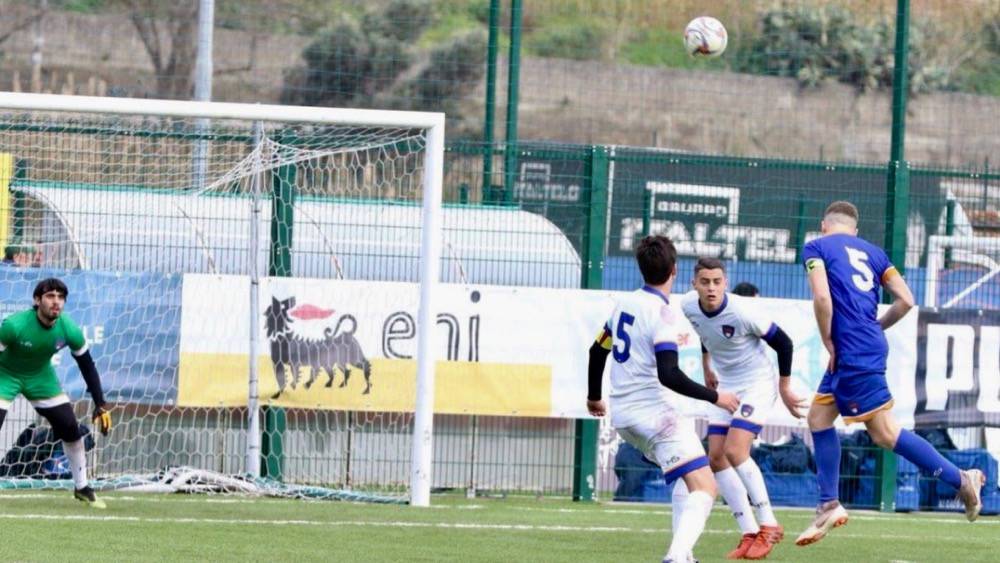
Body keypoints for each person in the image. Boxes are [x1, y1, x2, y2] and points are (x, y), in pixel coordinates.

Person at [795, 201, 985, 546]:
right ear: (855, 229)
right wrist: (876, 327)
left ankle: (961, 480)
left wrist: (828, 340)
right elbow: (907, 300)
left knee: (884, 433)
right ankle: (827, 502)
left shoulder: (816, 247)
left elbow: (822, 297)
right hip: (863, 344)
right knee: (819, 418)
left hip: (849, 349)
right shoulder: (874, 252)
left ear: (824, 225)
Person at [586, 235, 740, 563]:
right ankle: (675, 557)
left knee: (689, 472)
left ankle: (684, 556)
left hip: (624, 417)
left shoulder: (624, 304)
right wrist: (716, 397)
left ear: (641, 269)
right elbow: (668, 374)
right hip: (654, 416)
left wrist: (594, 397)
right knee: (706, 487)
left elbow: (597, 349)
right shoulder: (663, 313)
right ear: (674, 270)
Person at [680, 257, 806, 559]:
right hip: (726, 386)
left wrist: (785, 387)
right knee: (716, 457)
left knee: (736, 452)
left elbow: (784, 343)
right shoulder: (687, 305)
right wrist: (707, 365)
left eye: (717, 282)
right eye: (705, 282)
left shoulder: (743, 310)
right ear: (694, 284)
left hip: (757, 384)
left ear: (725, 282)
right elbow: (704, 332)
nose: (711, 288)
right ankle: (749, 531)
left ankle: (769, 525)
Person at [0, 278, 112, 508]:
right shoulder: (14, 325)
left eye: (61, 297)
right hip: (5, 374)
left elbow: (87, 365)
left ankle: (82, 488)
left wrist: (100, 403)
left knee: (70, 428)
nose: (56, 302)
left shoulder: (69, 329)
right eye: (50, 296)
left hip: (40, 377)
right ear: (37, 300)